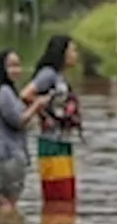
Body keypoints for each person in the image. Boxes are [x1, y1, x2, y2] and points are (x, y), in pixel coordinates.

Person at [0, 49, 49, 212]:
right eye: (11, 66)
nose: (17, 70)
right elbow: (18, 121)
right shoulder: (4, 91)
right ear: (1, 68)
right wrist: (37, 105)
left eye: (18, 65)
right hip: (7, 153)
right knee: (8, 202)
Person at [21, 35, 81, 204]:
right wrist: (45, 109)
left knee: (67, 195)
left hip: (62, 141)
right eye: (73, 50)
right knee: (58, 196)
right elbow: (26, 94)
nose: (75, 54)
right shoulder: (48, 74)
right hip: (51, 142)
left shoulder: (60, 76)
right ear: (62, 53)